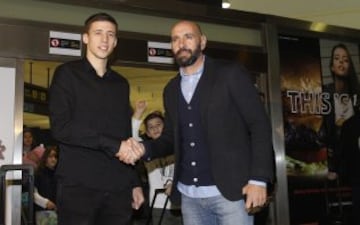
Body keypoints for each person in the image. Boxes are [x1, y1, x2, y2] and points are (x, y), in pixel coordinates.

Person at [123, 20, 274, 225]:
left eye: (188, 37)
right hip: (189, 198)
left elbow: (259, 125)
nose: (181, 43)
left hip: (231, 195)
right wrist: (142, 148)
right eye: (175, 39)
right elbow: (170, 138)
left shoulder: (230, 73)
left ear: (202, 42)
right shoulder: (171, 89)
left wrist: (258, 179)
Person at [48, 12, 143, 225]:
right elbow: (61, 128)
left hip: (118, 188)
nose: (105, 39)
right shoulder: (66, 74)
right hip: (78, 186)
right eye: (98, 33)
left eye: (110, 34)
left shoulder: (121, 84)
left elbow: (125, 135)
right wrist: (114, 145)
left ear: (116, 41)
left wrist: (134, 182)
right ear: (86, 38)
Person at [322, 43, 360, 181]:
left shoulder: (356, 93)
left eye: (345, 59)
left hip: (354, 161)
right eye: (337, 58)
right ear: (332, 66)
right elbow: (324, 130)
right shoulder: (325, 92)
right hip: (333, 161)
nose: (341, 62)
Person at [34, 146, 58, 225]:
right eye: (50, 156)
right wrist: (45, 202)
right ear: (45, 158)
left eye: (55, 157)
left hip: (57, 213)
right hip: (43, 213)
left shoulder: (59, 174)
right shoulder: (38, 173)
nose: (53, 159)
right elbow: (33, 193)